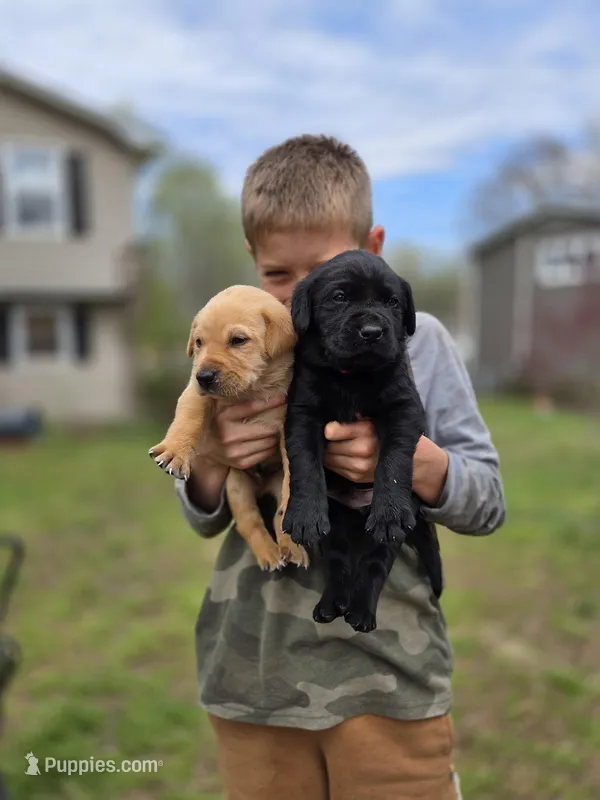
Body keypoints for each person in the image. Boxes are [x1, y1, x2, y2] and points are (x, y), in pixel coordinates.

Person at [175, 134, 505, 800]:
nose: (296, 299)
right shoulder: (237, 342)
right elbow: (201, 510)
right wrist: (215, 462)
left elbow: (488, 498)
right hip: (254, 677)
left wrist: (419, 466)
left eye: (320, 269)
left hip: (390, 677)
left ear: (372, 246)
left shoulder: (420, 339)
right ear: (252, 262)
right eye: (275, 274)